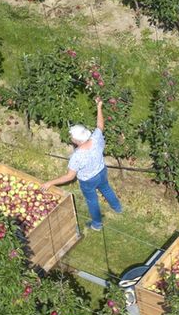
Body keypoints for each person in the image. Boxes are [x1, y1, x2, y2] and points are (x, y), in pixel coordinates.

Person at [46, 98, 122, 231]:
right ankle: (117, 207)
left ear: (76, 141)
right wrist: (99, 107)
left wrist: (50, 183)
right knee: (106, 188)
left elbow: (69, 177)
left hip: (88, 180)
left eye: (72, 137)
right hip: (101, 171)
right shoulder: (96, 138)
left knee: (92, 201)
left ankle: (97, 224)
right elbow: (100, 126)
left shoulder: (77, 157)